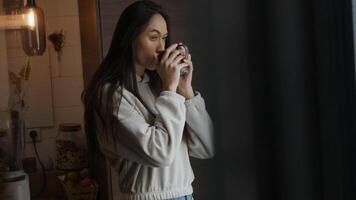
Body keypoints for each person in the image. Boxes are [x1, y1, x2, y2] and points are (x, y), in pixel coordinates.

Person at [82, 1, 215, 199]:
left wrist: (185, 90)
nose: (162, 47)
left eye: (164, 38)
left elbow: (207, 147)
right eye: (153, 37)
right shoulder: (110, 94)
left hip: (187, 194)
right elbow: (160, 153)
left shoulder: (158, 87)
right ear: (130, 39)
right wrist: (170, 89)